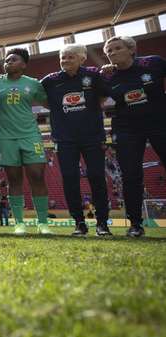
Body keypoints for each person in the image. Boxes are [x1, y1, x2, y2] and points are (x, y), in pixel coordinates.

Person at [40, 44, 111, 237]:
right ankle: (79, 223)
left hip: (92, 136)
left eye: (70, 57)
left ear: (82, 58)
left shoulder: (93, 75)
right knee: (70, 180)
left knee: (97, 178)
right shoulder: (50, 80)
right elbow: (39, 97)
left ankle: (102, 223)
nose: (65, 61)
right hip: (64, 139)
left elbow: (105, 94)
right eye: (63, 57)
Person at [101, 35, 166, 237]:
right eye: (109, 51)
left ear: (131, 49)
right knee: (130, 175)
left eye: (117, 48)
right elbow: (97, 100)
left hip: (159, 121)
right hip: (127, 127)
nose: (112, 53)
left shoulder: (153, 63)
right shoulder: (107, 76)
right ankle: (135, 224)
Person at [0, 47, 52, 235]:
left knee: (37, 177)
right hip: (6, 138)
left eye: (13, 60)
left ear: (24, 64)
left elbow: (49, 103)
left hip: (30, 135)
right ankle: (19, 223)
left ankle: (42, 223)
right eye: (7, 60)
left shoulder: (33, 84)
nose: (8, 62)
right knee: (14, 180)